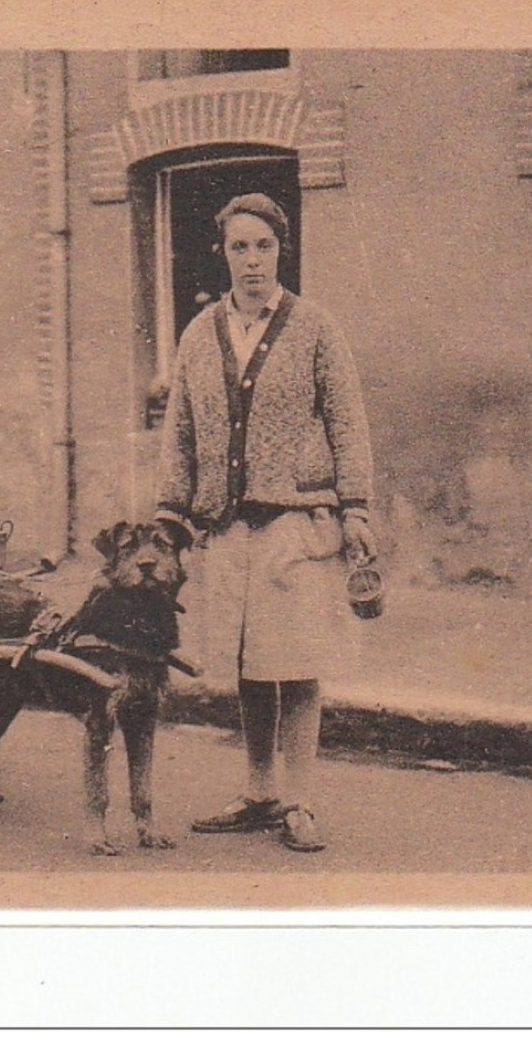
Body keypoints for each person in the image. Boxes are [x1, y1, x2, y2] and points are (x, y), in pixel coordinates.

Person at [155, 193, 378, 853]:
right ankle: (258, 791)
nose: (251, 260)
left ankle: (299, 800)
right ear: (220, 253)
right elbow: (181, 431)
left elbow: (346, 420)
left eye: (264, 246)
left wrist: (356, 505)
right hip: (227, 527)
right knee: (252, 665)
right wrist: (171, 511)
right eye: (239, 247)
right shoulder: (199, 334)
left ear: (281, 250)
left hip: (296, 527)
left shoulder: (313, 327)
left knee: (297, 664)